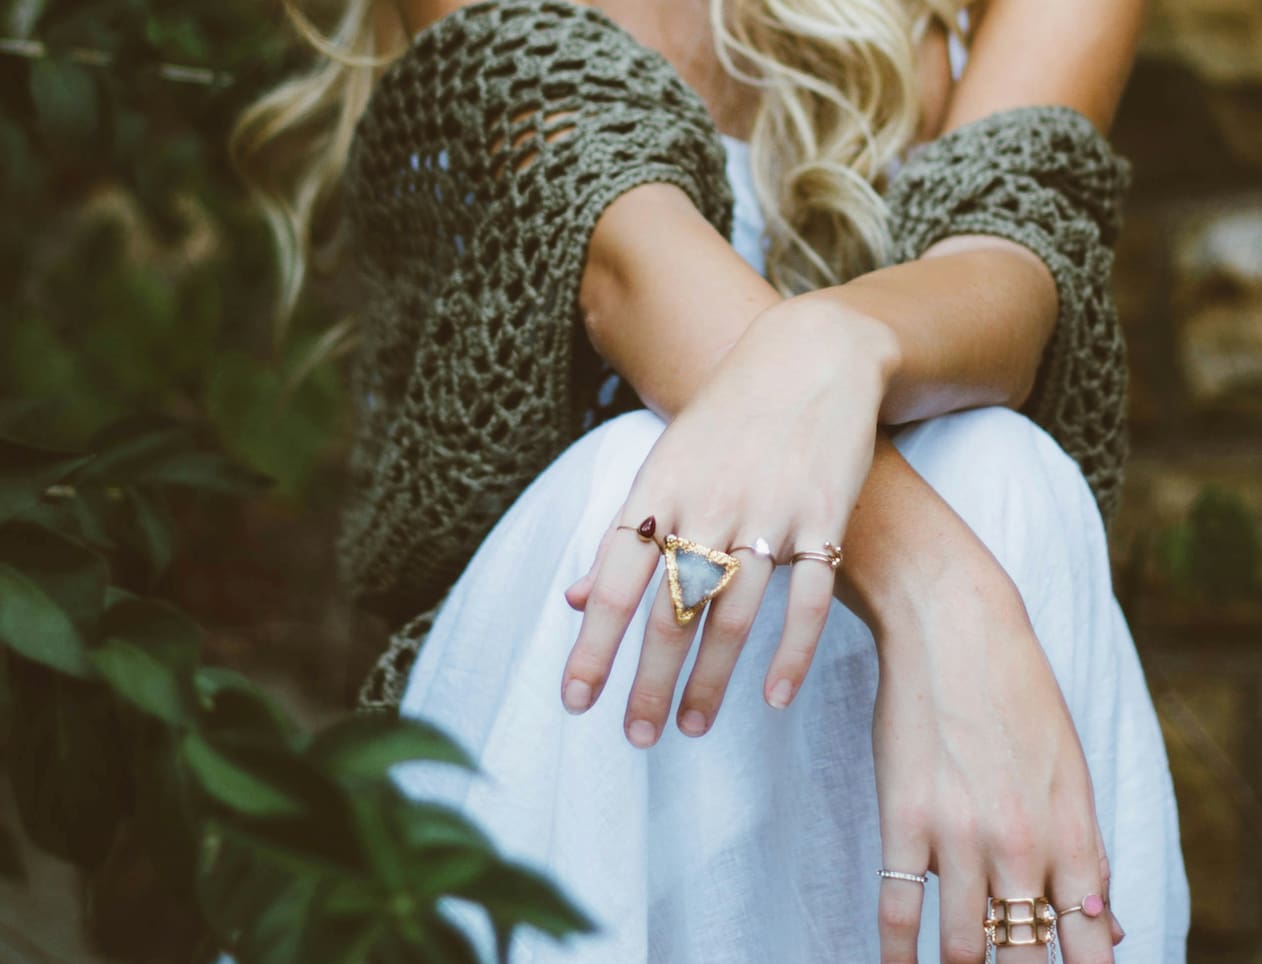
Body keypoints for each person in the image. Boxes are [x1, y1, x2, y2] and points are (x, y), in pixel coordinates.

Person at [234, 0, 1190, 960]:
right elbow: (624, 261)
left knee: (1002, 463)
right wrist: (941, 588)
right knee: (638, 471)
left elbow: (1011, 268)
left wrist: (834, 343)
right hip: (577, 691)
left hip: (855, 734)